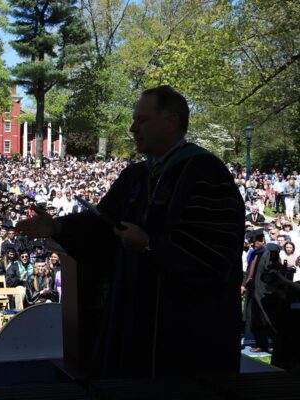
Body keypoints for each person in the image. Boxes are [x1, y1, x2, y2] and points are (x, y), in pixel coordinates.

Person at [18, 85, 245, 377]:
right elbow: (103, 228)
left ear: (171, 121)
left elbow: (214, 253)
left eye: (142, 120)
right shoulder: (135, 176)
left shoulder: (206, 175)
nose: (131, 127)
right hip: (133, 319)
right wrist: (58, 226)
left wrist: (150, 245)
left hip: (184, 330)